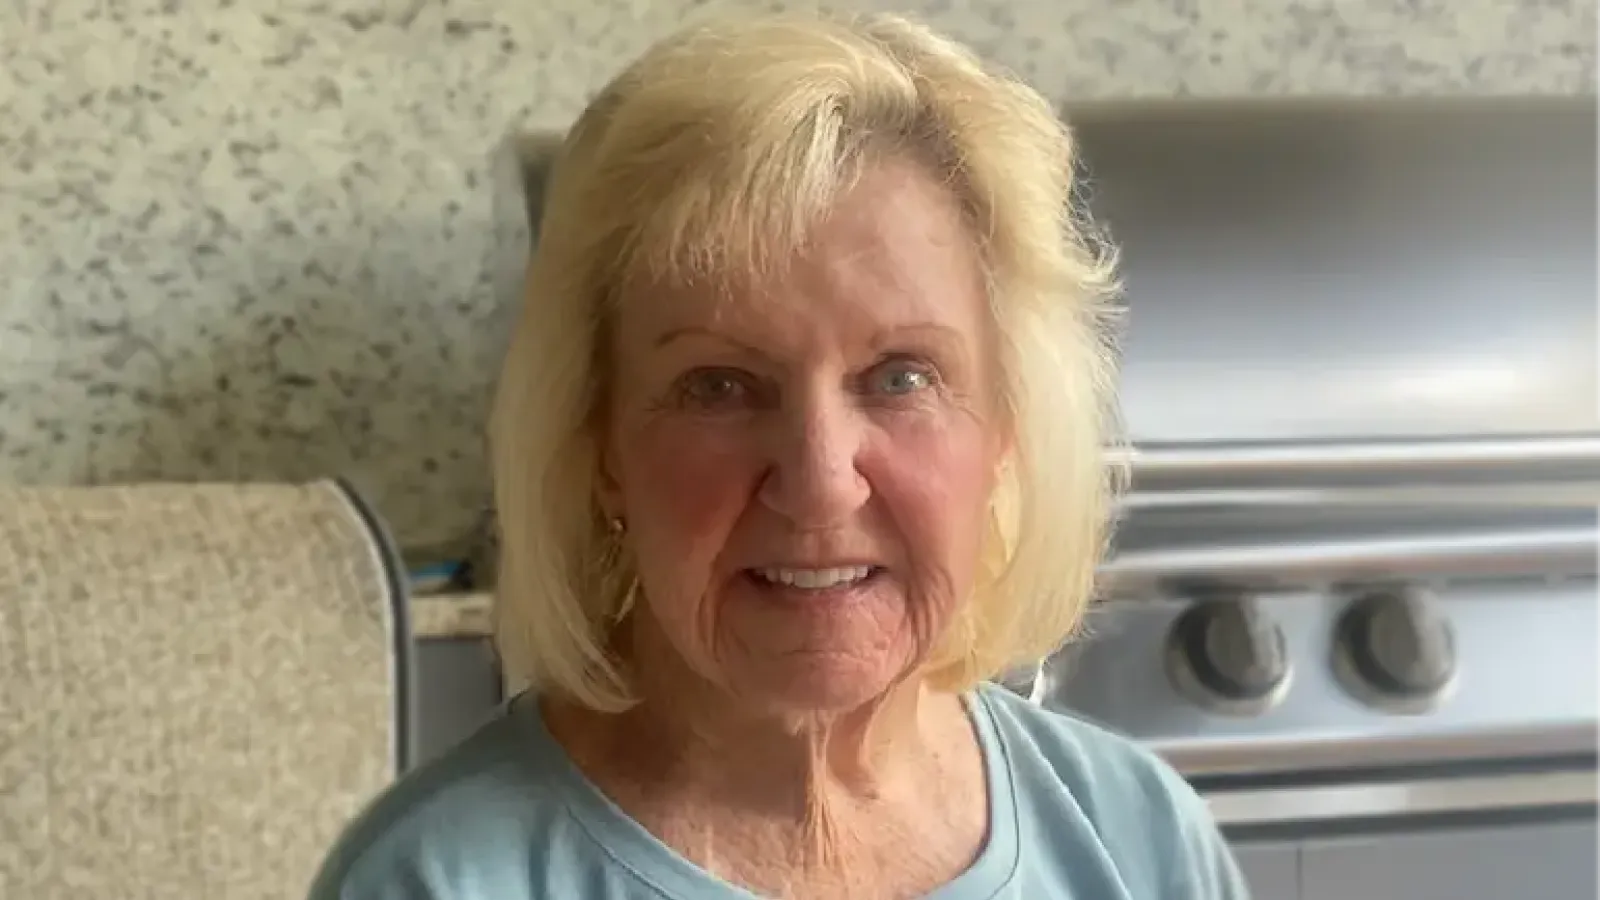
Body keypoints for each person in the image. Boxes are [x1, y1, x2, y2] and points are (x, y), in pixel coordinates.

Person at [309, 11, 1249, 900]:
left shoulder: (1140, 840)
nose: (818, 482)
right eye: (719, 385)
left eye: (901, 378)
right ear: (598, 443)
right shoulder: (438, 880)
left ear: (1005, 430)